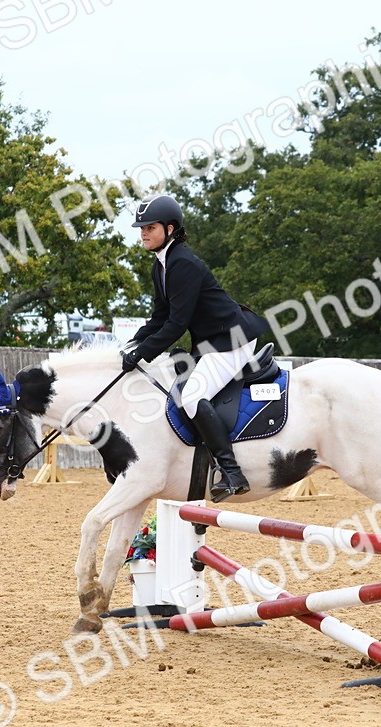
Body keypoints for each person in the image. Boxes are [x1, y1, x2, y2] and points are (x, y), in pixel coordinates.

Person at [122, 194, 269, 501]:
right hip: (210, 342)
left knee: (192, 396)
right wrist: (131, 344)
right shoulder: (160, 267)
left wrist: (143, 352)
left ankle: (232, 472)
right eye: (141, 228)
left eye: (150, 227)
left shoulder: (183, 263)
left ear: (170, 228)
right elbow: (159, 318)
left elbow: (176, 325)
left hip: (232, 339)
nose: (143, 233)